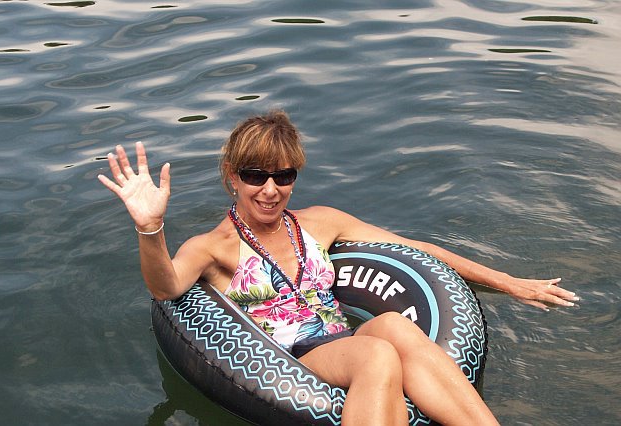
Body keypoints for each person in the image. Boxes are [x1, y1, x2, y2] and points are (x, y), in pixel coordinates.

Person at [98, 110, 578, 425]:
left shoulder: (320, 222)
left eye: (283, 175)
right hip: (291, 360)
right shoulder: (214, 247)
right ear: (233, 178)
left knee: (394, 326)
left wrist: (510, 283)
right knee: (376, 356)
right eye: (256, 175)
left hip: (340, 338)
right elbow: (166, 286)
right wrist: (150, 227)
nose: (270, 189)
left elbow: (416, 249)